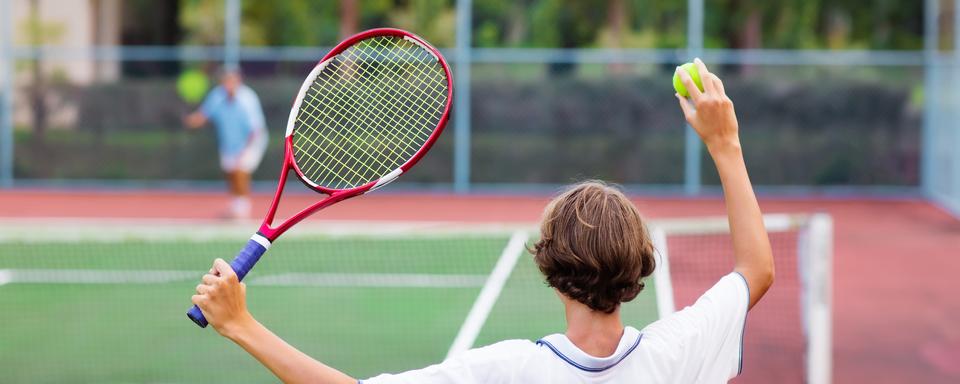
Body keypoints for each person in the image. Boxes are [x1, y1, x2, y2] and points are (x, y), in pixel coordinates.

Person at [190, 59, 774, 383]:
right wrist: (725, 144)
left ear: (547, 267)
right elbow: (756, 270)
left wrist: (242, 325)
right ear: (641, 263)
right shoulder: (676, 355)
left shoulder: (507, 371)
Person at [185, 69, 268, 219]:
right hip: (229, 142)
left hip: (252, 141)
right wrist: (192, 121)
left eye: (232, 81)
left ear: (238, 82)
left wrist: (243, 151)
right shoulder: (217, 96)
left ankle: (243, 209)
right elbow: (204, 115)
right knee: (230, 172)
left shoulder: (247, 99)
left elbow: (254, 130)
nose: (229, 85)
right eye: (226, 81)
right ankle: (236, 205)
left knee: (240, 169)